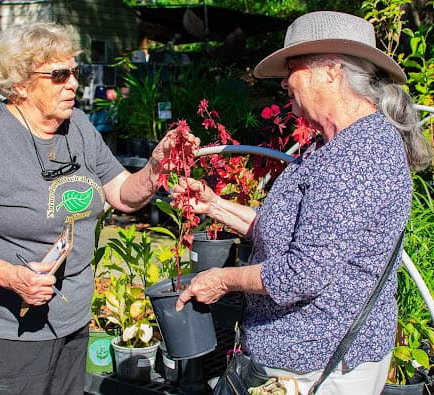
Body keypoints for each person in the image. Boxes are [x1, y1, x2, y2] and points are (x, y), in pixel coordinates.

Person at [0, 22, 197, 395]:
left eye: (75, 72)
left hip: (70, 321)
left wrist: (155, 168)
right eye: (58, 75)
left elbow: (122, 193)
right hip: (2, 331)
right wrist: (12, 277)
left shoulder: (79, 127)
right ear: (21, 83)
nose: (73, 83)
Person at [173, 11, 432, 395]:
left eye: (292, 68)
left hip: (319, 368)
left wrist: (222, 280)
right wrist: (213, 205)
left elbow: (302, 274)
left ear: (330, 71)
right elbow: (294, 234)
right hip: (298, 362)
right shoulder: (330, 145)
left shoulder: (359, 157)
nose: (284, 82)